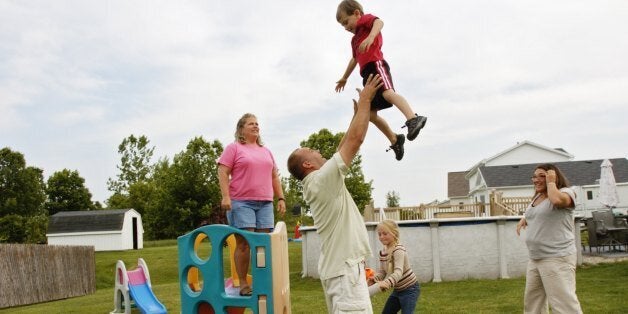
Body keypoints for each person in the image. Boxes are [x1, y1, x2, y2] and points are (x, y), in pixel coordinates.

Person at [287, 74, 382, 313]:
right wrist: (365, 102)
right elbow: (355, 141)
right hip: (344, 272)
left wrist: (357, 115)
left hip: (340, 270)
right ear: (307, 165)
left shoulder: (319, 181)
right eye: (311, 150)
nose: (317, 150)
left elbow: (344, 144)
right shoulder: (320, 181)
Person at [335, 0, 427, 161]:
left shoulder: (365, 22)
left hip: (376, 65)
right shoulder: (354, 40)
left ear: (356, 13)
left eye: (346, 22)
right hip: (366, 75)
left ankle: (413, 118)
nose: (345, 27)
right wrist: (344, 77)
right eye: (342, 25)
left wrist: (371, 37)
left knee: (387, 93)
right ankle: (395, 139)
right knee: (369, 114)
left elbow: (379, 22)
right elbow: (354, 59)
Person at [217, 113, 286, 296]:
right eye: (251, 124)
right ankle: (242, 284)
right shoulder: (234, 148)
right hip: (241, 202)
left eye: (257, 124)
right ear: (241, 129)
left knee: (263, 245)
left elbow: (274, 176)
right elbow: (222, 172)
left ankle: (262, 283)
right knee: (244, 244)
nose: (256, 126)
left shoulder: (266, 151)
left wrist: (281, 198)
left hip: (265, 203)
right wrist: (226, 196)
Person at [516, 164, 583, 314]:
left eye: (542, 176)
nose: (536, 180)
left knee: (563, 304)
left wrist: (551, 182)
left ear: (553, 176)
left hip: (556, 257)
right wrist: (525, 218)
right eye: (534, 176)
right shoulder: (539, 196)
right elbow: (540, 213)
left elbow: (557, 201)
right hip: (536, 258)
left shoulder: (565, 192)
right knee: (533, 303)